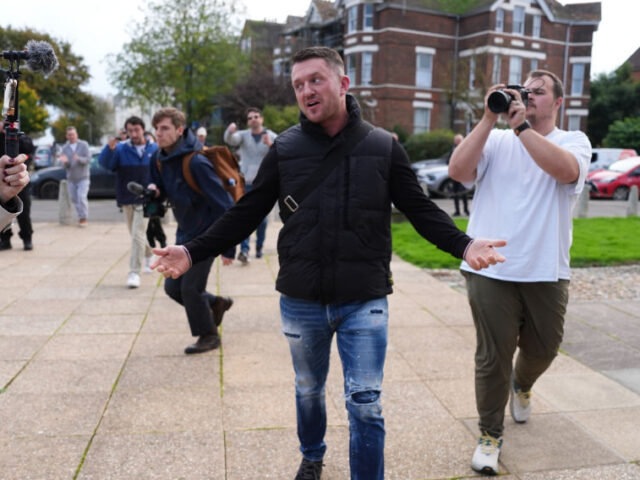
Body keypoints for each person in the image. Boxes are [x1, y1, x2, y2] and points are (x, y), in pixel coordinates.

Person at [151, 46, 506, 480]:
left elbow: (420, 209)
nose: (306, 91)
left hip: (365, 296)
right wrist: (191, 251)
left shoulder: (382, 147)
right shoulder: (284, 149)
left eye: (315, 80)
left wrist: (464, 245)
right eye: (298, 84)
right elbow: (246, 213)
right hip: (301, 298)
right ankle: (313, 453)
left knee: (366, 403)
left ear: (342, 84)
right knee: (308, 389)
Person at [448, 70, 591, 476]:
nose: (528, 97)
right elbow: (458, 172)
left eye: (539, 92)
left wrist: (522, 127)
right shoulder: (493, 140)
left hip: (546, 268)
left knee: (545, 347)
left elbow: (563, 171)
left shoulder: (573, 141)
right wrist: (488, 118)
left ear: (558, 103)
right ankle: (490, 435)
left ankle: (522, 385)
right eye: (524, 91)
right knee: (492, 357)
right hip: (488, 266)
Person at [148, 107, 234, 354]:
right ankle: (216, 304)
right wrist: (155, 192)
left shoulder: (196, 161)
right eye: (156, 128)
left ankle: (209, 336)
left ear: (179, 130)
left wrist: (228, 246)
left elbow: (224, 205)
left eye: (164, 128)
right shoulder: (161, 159)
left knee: (190, 288)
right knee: (173, 287)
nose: (159, 133)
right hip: (184, 233)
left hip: (207, 235)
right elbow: (166, 190)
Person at [99, 116, 159, 288]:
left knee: (138, 234)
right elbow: (106, 165)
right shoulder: (120, 149)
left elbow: (161, 170)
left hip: (146, 198)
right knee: (135, 234)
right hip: (126, 198)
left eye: (136, 130)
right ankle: (149, 253)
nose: (133, 134)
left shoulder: (154, 149)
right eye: (130, 131)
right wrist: (109, 149)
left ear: (143, 130)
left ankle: (134, 272)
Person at [223, 107, 276, 264]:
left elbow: (282, 151)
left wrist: (270, 144)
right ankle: (244, 251)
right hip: (245, 183)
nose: (253, 119)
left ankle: (259, 246)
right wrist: (230, 131)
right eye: (250, 117)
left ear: (261, 119)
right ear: (248, 121)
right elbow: (230, 140)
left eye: (256, 116)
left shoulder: (270, 135)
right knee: (244, 217)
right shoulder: (244, 135)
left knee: (262, 219)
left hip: (264, 184)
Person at [0, 123, 36, 250]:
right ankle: (5, 240)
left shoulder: (18, 136)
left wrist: (12, 135)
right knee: (3, 213)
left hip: (21, 182)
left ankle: (27, 238)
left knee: (24, 213)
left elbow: (29, 149)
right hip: (2, 181)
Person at [59, 126, 91, 227]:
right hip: (71, 178)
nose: (71, 136)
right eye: (69, 135)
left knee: (82, 197)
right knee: (74, 199)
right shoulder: (64, 148)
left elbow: (88, 160)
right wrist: (66, 162)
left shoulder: (83, 145)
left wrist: (78, 159)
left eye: (73, 134)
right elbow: (65, 166)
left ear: (76, 134)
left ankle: (83, 218)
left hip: (83, 177)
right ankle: (80, 216)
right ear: (66, 136)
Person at [0, 153, 30, 231]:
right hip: (12, 179)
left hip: (17, 183)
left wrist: (3, 196)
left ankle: (27, 237)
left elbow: (28, 150)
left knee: (24, 216)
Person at [446, 133, 469, 216]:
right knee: (455, 193)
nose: (457, 142)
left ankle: (466, 210)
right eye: (456, 140)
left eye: (459, 140)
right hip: (455, 175)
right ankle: (457, 211)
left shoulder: (466, 149)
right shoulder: (453, 149)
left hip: (463, 175)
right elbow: (447, 160)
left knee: (464, 193)